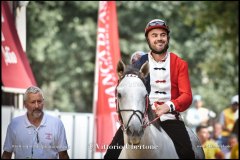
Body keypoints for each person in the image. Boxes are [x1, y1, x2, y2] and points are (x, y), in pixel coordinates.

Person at [104, 19, 195, 159]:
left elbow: (187, 96)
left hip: (170, 118)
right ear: (148, 39)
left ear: (168, 38)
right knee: (110, 156)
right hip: (141, 117)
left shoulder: (180, 64)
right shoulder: (138, 63)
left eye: (162, 35)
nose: (159, 38)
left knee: (188, 154)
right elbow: (126, 89)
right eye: (154, 35)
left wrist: (168, 106)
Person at [1, 86, 69, 159]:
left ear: (43, 102)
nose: (37, 106)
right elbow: (7, 154)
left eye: (39, 101)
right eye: (33, 102)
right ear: (25, 104)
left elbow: (64, 155)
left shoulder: (56, 124)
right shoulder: (15, 125)